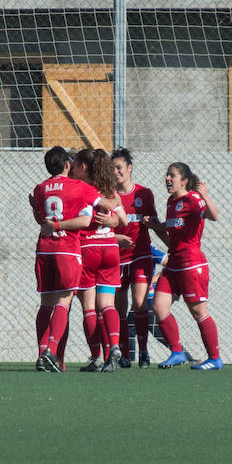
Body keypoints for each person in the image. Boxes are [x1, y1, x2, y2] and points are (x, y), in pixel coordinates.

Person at [145, 162, 222, 370]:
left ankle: (215, 358)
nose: (168, 178)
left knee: (198, 312)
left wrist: (205, 196)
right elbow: (172, 236)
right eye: (167, 175)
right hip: (174, 263)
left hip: (191, 264)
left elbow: (214, 216)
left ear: (184, 181)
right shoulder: (171, 202)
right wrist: (154, 226)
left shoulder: (193, 199)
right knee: (158, 306)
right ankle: (177, 352)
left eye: (173, 175)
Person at [31, 146, 101, 372]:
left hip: (45, 249)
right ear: (68, 165)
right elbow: (101, 205)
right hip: (67, 249)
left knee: (46, 303)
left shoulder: (40, 189)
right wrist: (115, 208)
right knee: (65, 300)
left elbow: (41, 220)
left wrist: (35, 208)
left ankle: (42, 353)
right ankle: (51, 351)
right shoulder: (79, 187)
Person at [70, 148, 127, 373]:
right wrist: (112, 221)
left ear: (84, 168)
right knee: (108, 305)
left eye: (75, 165)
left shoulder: (80, 189)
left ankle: (96, 358)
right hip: (110, 249)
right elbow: (122, 219)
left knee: (89, 309)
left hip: (87, 249)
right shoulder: (109, 190)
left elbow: (79, 219)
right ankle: (114, 346)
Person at [111, 148, 159, 369]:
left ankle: (144, 352)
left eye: (119, 167)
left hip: (141, 256)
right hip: (117, 259)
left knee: (140, 303)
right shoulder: (109, 195)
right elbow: (102, 227)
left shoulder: (144, 194)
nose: (116, 171)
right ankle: (125, 355)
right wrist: (116, 237)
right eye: (112, 168)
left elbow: (153, 222)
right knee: (119, 308)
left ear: (129, 168)